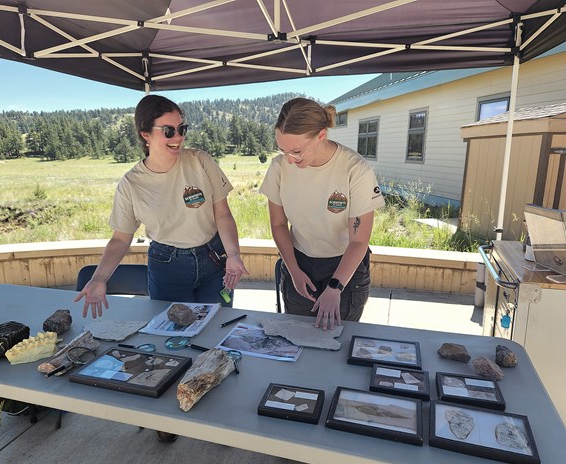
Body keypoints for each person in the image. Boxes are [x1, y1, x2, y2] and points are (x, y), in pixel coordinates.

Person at [75, 94, 248, 441]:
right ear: (145, 134)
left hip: (214, 260)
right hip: (168, 265)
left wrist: (234, 254)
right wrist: (99, 278)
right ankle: (168, 417)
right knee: (171, 342)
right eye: (168, 130)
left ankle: (218, 411)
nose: (178, 137)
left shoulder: (199, 161)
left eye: (182, 128)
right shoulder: (132, 183)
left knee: (216, 334)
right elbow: (121, 239)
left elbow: (222, 213)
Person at [260, 97, 384, 331]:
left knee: (338, 343)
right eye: (282, 150)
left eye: (296, 151)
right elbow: (278, 224)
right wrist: (294, 270)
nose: (289, 159)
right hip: (299, 262)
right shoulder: (279, 167)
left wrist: (335, 287)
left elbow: (359, 240)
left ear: (321, 136)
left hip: (344, 266)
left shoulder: (355, 169)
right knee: (297, 340)